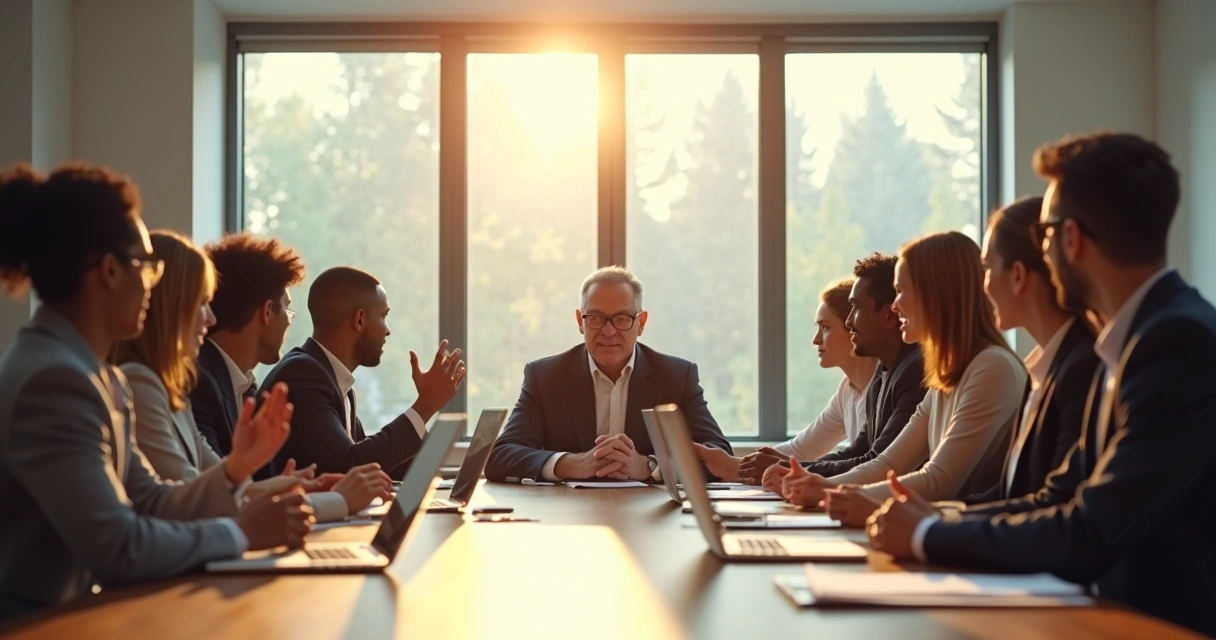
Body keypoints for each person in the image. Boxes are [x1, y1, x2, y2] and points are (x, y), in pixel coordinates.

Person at [867, 132, 1216, 637]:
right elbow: (1063, 493)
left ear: (1071, 239)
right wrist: (939, 522)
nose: (1043, 252)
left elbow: (1091, 527)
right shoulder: (1127, 339)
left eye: (1047, 235)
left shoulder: (1174, 342)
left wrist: (927, 533)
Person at [0, 163, 312, 621]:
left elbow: (151, 501)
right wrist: (240, 533)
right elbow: (119, 545)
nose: (152, 283)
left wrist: (232, 473)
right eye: (146, 267)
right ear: (108, 271)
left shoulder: (97, 376)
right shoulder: (55, 382)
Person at [111, 231, 391, 522]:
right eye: (201, 303)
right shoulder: (153, 384)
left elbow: (218, 486)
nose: (210, 318)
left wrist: (299, 491)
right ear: (174, 308)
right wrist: (333, 500)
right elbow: (193, 502)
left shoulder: (178, 389)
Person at [782, 231, 1027, 526]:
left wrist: (831, 490)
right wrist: (825, 487)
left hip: (967, 542)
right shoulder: (947, 375)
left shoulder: (991, 367)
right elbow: (889, 463)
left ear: (934, 293)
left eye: (901, 291)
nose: (894, 306)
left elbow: (939, 480)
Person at [485, 266, 732, 483]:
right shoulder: (545, 377)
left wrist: (649, 467)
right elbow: (501, 457)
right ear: (580, 321)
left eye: (622, 318)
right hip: (567, 517)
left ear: (642, 323)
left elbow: (719, 455)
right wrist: (571, 463)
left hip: (650, 520)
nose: (609, 331)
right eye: (595, 318)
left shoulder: (677, 377)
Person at [956, 196, 1098, 505]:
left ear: (1018, 275)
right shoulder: (1042, 367)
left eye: (987, 270)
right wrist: (932, 515)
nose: (984, 286)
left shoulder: (1082, 367)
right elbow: (1012, 495)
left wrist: (928, 524)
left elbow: (1055, 505)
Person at [258, 266, 465, 477]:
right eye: (383, 316)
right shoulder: (302, 374)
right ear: (359, 320)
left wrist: (455, 472)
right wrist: (425, 406)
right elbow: (351, 468)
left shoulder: (336, 380)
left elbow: (373, 462)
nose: (388, 329)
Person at [755, 254, 927, 490]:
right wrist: (795, 470)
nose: (848, 321)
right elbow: (859, 450)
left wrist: (798, 472)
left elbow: (876, 462)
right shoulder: (883, 374)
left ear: (888, 314)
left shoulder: (915, 372)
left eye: (856, 308)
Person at [694, 278, 877, 483]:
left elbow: (867, 465)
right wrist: (730, 464)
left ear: (853, 328)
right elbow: (800, 449)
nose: (815, 339)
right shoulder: (847, 390)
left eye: (825, 327)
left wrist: (734, 467)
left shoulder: (883, 388)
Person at [190, 232, 304, 466]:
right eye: (287, 310)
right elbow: (219, 488)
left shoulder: (243, 386)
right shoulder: (198, 382)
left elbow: (258, 483)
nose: (289, 322)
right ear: (268, 311)